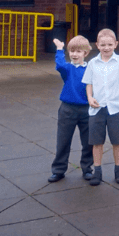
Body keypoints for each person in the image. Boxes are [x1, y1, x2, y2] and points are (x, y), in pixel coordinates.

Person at [82, 28, 119, 186]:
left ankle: (118, 170)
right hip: (97, 108)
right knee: (97, 142)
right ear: (97, 45)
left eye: (110, 44)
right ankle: (97, 170)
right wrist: (90, 97)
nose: (106, 47)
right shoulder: (92, 63)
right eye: (103, 44)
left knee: (117, 142)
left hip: (116, 108)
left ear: (116, 44)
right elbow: (89, 83)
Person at [47, 35, 93, 183]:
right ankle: (59, 170)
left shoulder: (91, 69)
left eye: (78, 51)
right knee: (63, 141)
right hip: (67, 109)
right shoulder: (67, 68)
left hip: (86, 109)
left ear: (85, 53)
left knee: (88, 142)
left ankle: (87, 169)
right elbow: (59, 64)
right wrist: (59, 49)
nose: (74, 54)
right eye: (72, 51)